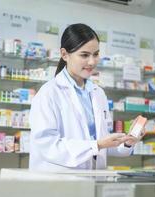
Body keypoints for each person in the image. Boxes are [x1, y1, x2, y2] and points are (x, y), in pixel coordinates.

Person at [29, 23, 143, 171]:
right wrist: (97, 145)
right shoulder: (48, 93)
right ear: (65, 54)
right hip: (58, 182)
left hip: (93, 180)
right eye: (84, 55)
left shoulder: (98, 93)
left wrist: (128, 141)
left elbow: (104, 145)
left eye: (95, 54)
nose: (92, 62)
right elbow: (48, 146)